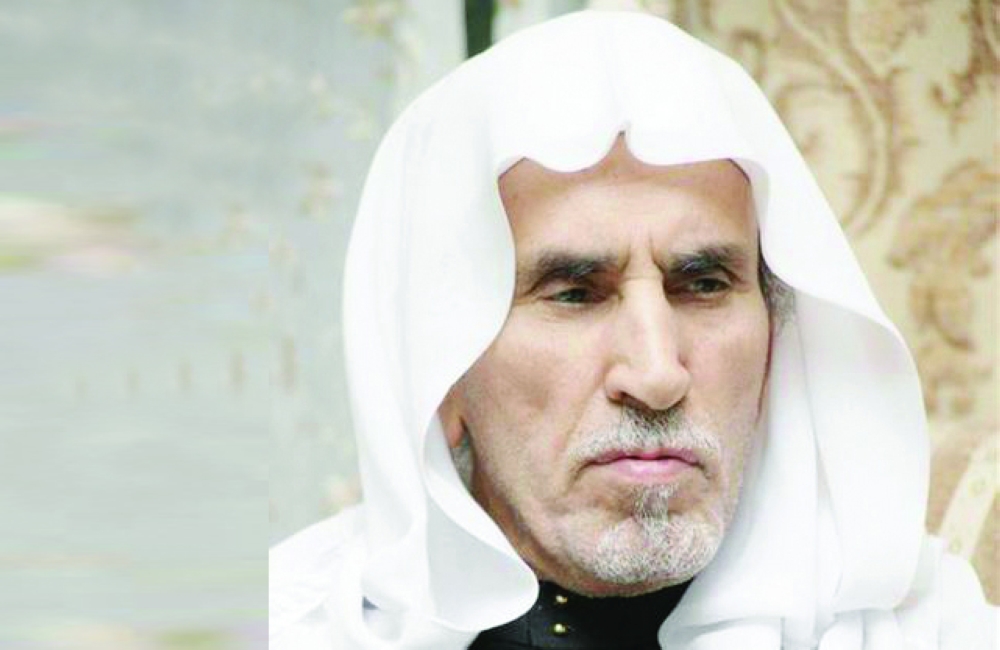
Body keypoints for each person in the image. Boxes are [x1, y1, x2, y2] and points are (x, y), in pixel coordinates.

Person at [269, 11, 996, 649]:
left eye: (704, 285)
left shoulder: (932, 630)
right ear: (442, 374)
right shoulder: (294, 625)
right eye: (574, 294)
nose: (656, 375)